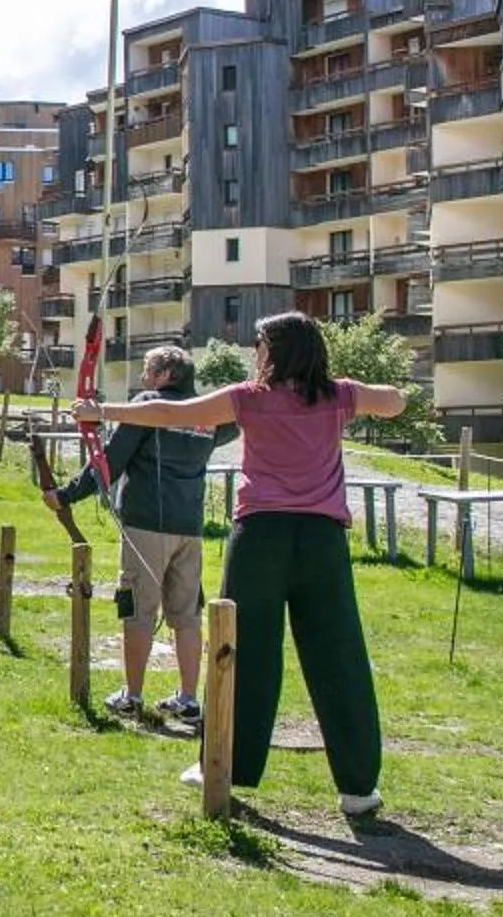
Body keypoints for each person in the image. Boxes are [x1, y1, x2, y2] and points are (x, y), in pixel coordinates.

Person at [73, 313, 408, 818]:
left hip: (261, 538)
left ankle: (223, 765)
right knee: (339, 655)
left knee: (241, 652)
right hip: (322, 542)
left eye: (259, 344)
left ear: (276, 351)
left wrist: (100, 411)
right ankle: (358, 787)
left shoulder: (250, 398)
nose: (255, 353)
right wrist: (361, 395)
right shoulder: (337, 395)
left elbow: (169, 412)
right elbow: (395, 401)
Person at [43, 344, 233, 725]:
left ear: (165, 376)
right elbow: (235, 423)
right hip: (189, 529)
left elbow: (108, 463)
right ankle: (188, 700)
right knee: (187, 615)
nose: (143, 378)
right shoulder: (207, 413)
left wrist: (65, 495)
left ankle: (131, 696)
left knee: (137, 611)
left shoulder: (148, 406)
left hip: (147, 525)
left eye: (148, 370)